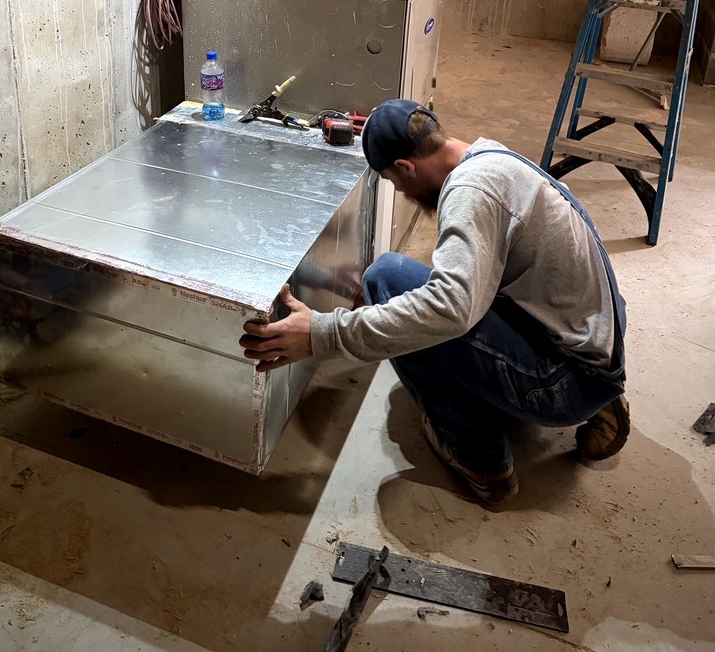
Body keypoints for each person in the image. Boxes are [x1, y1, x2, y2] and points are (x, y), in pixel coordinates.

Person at [239, 99, 629, 504]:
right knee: (395, 284)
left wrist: (324, 333)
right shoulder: (490, 158)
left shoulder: (470, 194)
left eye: (393, 181)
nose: (401, 192)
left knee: (388, 281)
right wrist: (382, 310)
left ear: (405, 167)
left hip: (565, 380)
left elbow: (449, 310)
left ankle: (481, 458)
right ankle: (595, 398)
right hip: (597, 339)